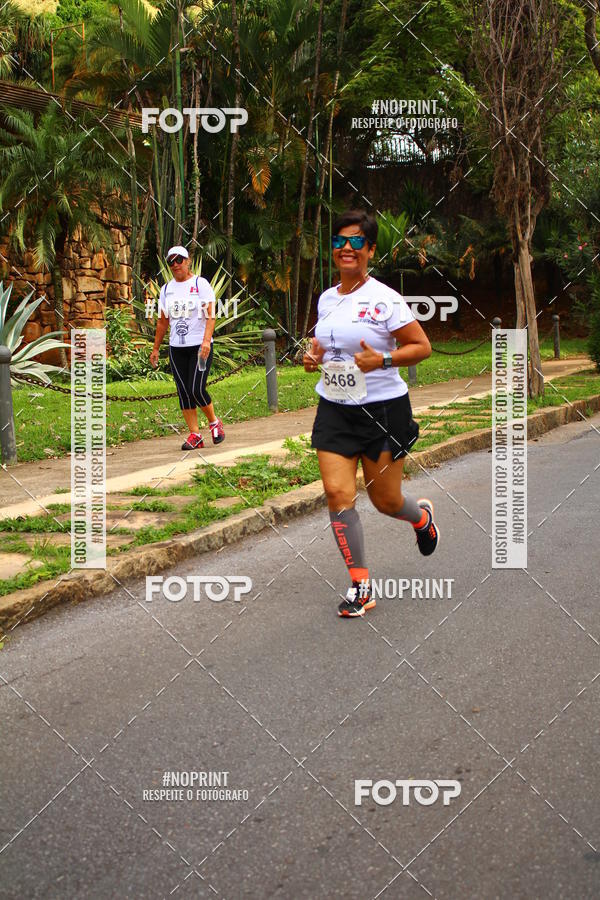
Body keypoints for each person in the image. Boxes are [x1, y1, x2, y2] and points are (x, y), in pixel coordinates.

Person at [303, 210, 439, 618]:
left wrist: (382, 359)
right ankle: (361, 585)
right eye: (340, 240)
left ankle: (421, 518)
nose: (347, 247)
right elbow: (325, 344)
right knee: (337, 493)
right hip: (335, 409)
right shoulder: (327, 298)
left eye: (357, 241)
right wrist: (314, 356)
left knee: (386, 501)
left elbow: (422, 347)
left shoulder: (385, 298)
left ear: (371, 250)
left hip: (383, 411)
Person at [149, 245, 225, 449]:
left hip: (199, 347)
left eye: (179, 260)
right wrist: (155, 349)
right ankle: (195, 435)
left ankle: (214, 422)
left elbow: (210, 315)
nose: (175, 265)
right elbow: (162, 322)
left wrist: (206, 341)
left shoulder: (200, 284)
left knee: (196, 388)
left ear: (188, 261)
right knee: (183, 391)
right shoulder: (166, 289)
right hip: (177, 348)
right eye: (171, 262)